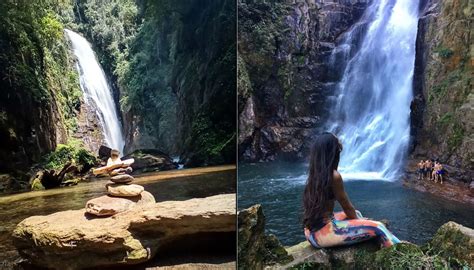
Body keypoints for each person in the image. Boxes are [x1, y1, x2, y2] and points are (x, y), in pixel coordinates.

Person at [303, 133, 401, 248]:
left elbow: (350, 212)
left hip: (310, 232)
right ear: (333, 153)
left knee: (357, 213)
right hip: (322, 235)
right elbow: (347, 206)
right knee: (378, 227)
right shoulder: (333, 176)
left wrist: (359, 221)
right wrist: (363, 224)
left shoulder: (315, 174)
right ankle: (400, 250)